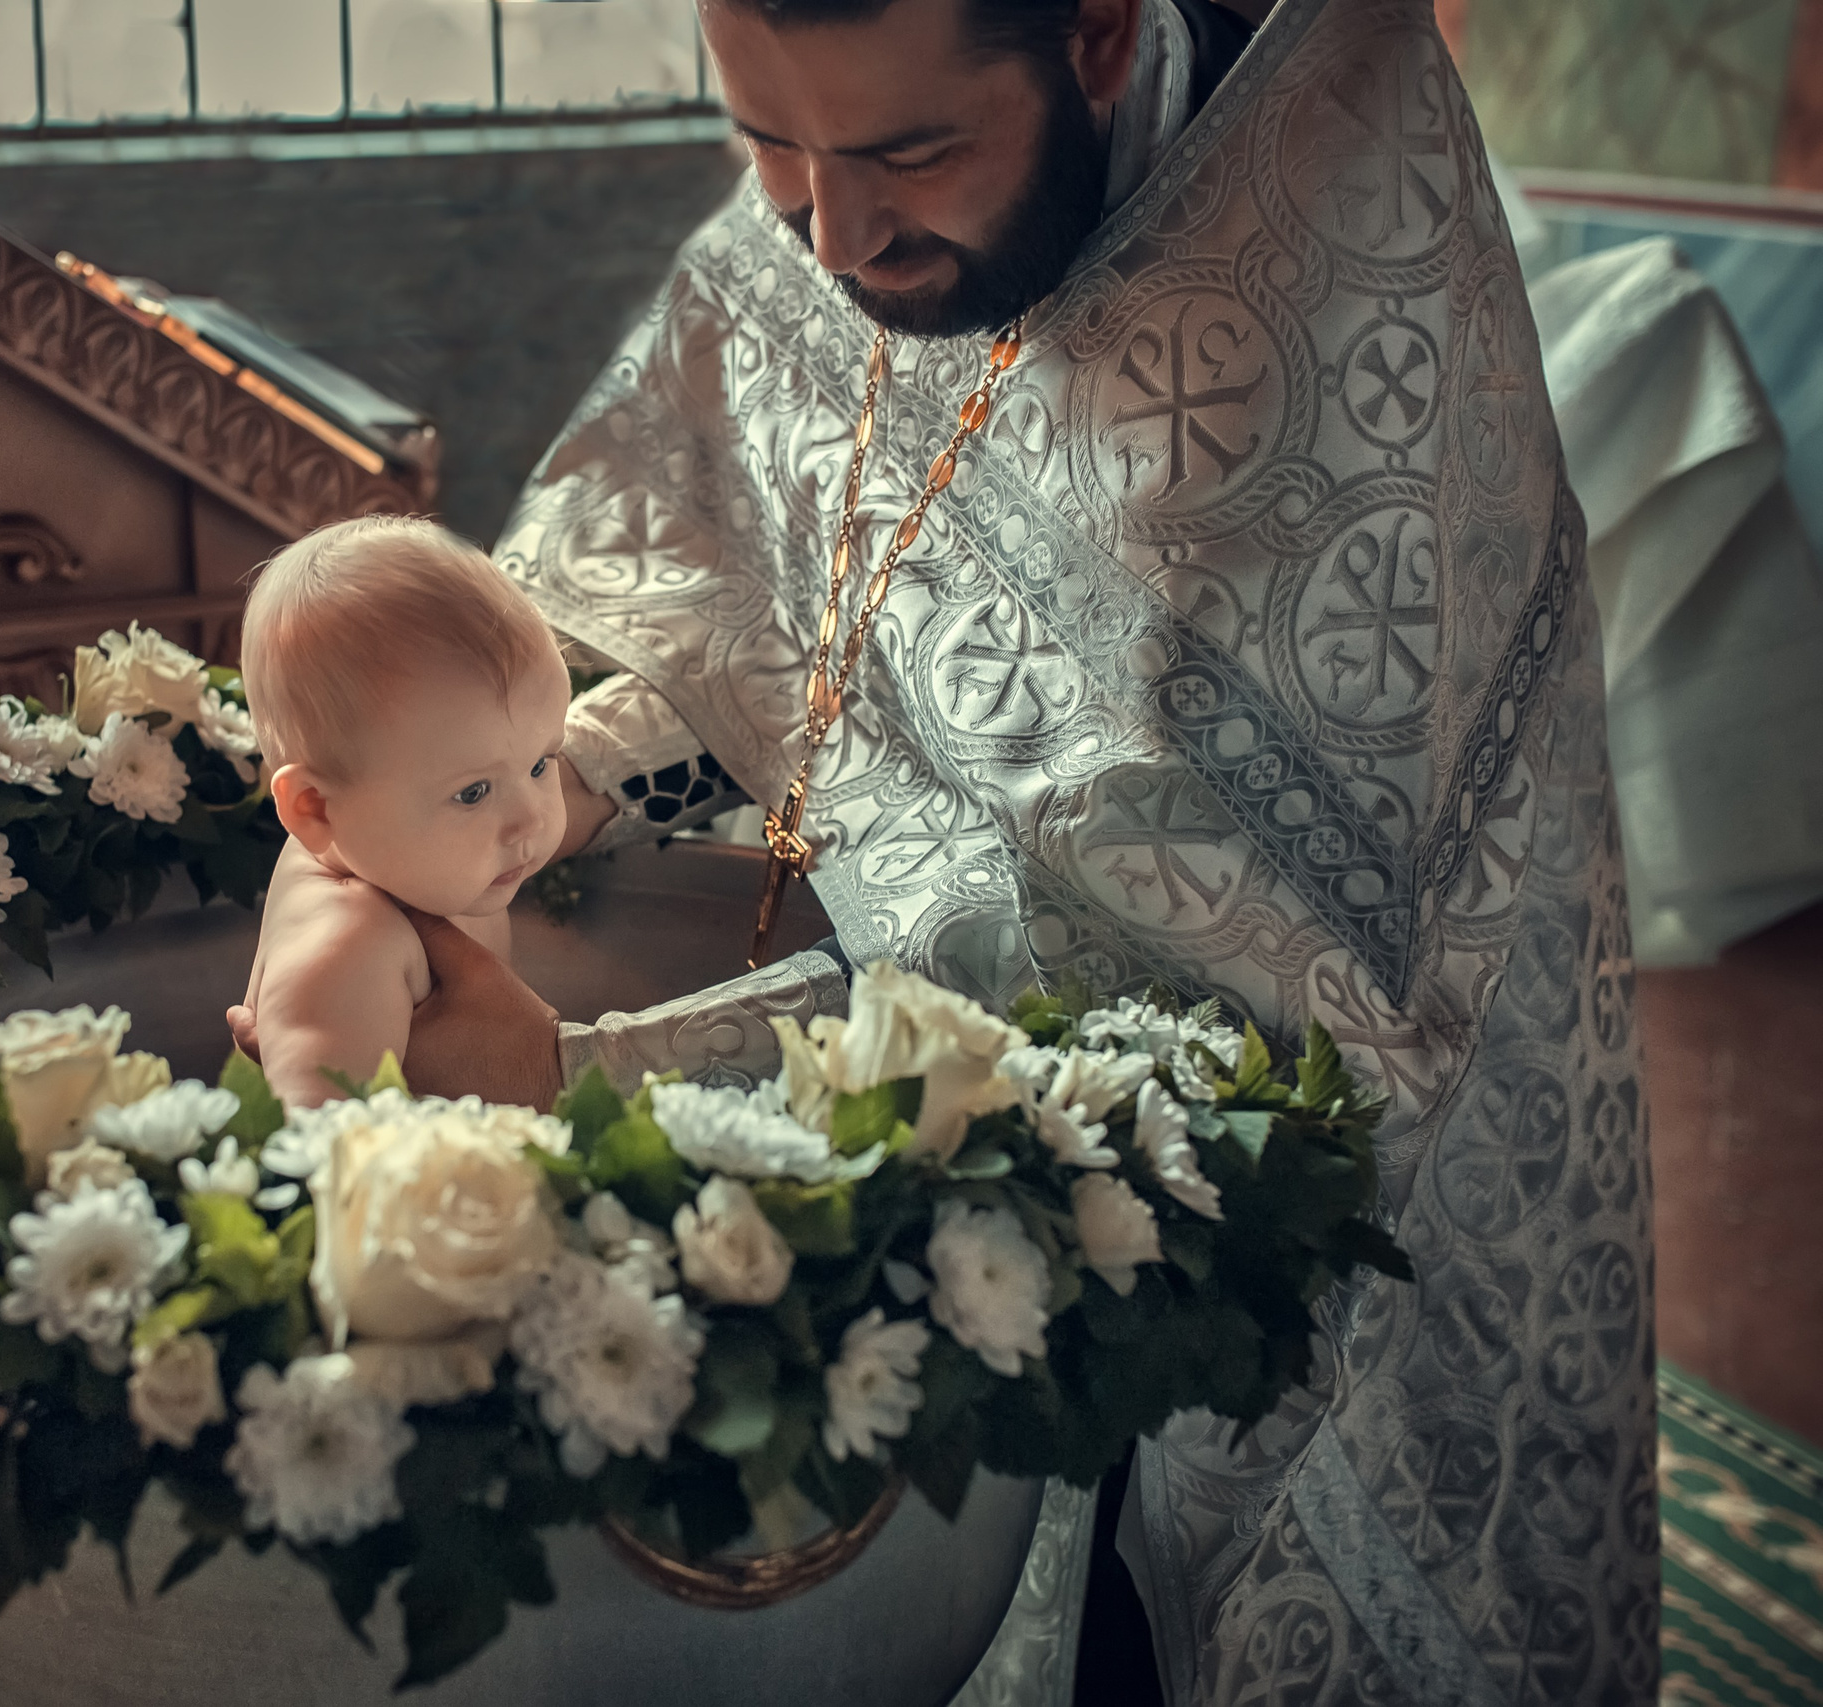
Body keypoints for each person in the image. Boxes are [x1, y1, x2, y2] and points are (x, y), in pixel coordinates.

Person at [244, 0, 1655, 1699]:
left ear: (1100, 36)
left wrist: (600, 1069)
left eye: (909, 154)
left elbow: (1199, 999)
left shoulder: (1311, 332)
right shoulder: (853, 183)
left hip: (1308, 1249)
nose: (834, 236)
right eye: (768, 144)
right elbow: (805, 613)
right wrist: (559, 785)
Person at [234, 515, 571, 1108]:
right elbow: (325, 1151)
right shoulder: (348, 949)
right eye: (473, 792)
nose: (532, 820)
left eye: (541, 763)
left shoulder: (384, 848)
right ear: (314, 809)